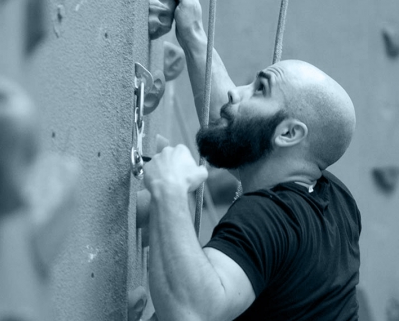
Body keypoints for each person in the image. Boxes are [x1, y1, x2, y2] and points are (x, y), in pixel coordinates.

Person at [143, 0, 361, 320]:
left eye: (260, 89)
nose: (236, 92)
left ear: (288, 135)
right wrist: (192, 32)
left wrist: (169, 189)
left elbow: (192, 312)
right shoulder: (336, 201)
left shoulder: (270, 217)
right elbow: (239, 130)